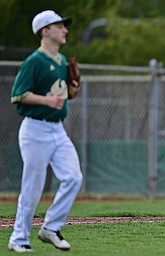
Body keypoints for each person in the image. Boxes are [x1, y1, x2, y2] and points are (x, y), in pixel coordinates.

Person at [8, 10, 83, 252]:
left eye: (64, 26)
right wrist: (46, 101)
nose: (65, 30)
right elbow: (18, 95)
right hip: (35, 129)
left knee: (73, 177)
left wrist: (71, 90)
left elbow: (60, 94)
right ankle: (18, 239)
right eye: (59, 26)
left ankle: (50, 228)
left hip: (58, 130)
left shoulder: (61, 61)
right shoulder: (34, 62)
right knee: (33, 187)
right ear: (45, 31)